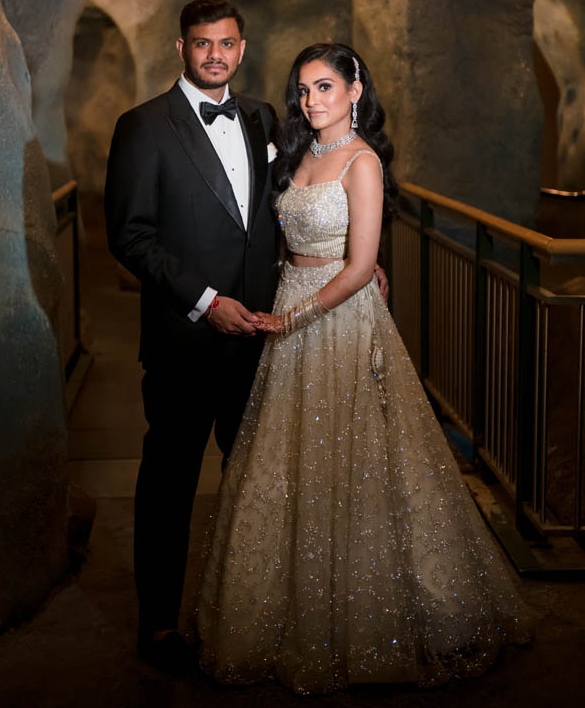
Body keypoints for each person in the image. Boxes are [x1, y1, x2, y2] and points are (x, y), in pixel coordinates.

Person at [196, 42, 531, 694]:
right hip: (287, 308)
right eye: (302, 90)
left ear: (355, 90)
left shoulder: (362, 161)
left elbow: (357, 266)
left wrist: (293, 316)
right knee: (289, 463)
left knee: (356, 459)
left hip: (335, 320)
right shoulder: (296, 153)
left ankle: (370, 615)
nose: (310, 100)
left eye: (324, 87)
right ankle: (291, 609)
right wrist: (281, 307)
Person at [104, 0, 279, 673]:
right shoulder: (143, 126)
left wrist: (357, 257)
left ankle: (246, 614)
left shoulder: (263, 117)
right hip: (185, 343)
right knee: (169, 485)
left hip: (261, 340)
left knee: (255, 483)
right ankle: (157, 626)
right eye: (202, 43)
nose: (214, 54)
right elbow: (130, 235)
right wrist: (206, 303)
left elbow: (282, 212)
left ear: (242, 46)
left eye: (226, 43)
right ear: (181, 47)